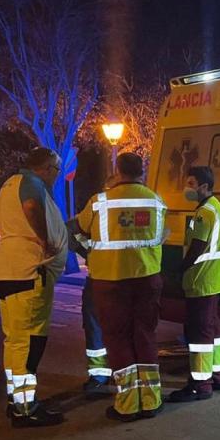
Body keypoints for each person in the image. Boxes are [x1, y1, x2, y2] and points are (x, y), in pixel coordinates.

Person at [72, 152, 167, 422]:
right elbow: (161, 237)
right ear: (142, 171)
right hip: (147, 277)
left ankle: (128, 404)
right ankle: (151, 400)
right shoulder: (156, 201)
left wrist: (91, 251)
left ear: (118, 170)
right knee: (145, 335)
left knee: (118, 338)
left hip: (110, 279)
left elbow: (77, 230)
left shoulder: (99, 202)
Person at [0, 147, 69, 428]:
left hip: (7, 269)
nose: (57, 176)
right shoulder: (32, 184)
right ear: (47, 167)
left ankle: (16, 400)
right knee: (31, 341)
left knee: (13, 339)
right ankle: (27, 409)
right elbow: (32, 208)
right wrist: (46, 239)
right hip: (29, 271)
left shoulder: (8, 185)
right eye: (57, 170)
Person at [169, 166, 220, 403]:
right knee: (213, 329)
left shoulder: (204, 212)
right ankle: (218, 374)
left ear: (204, 186)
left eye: (192, 183)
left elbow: (197, 247)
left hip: (202, 279)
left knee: (199, 332)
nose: (188, 188)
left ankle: (200, 384)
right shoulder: (217, 207)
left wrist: (178, 270)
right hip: (215, 278)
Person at [65, 226, 113, 397]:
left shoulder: (95, 208)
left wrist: (88, 253)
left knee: (96, 327)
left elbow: (68, 232)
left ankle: (101, 375)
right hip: (126, 278)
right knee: (100, 327)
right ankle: (107, 373)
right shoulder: (145, 203)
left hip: (101, 279)